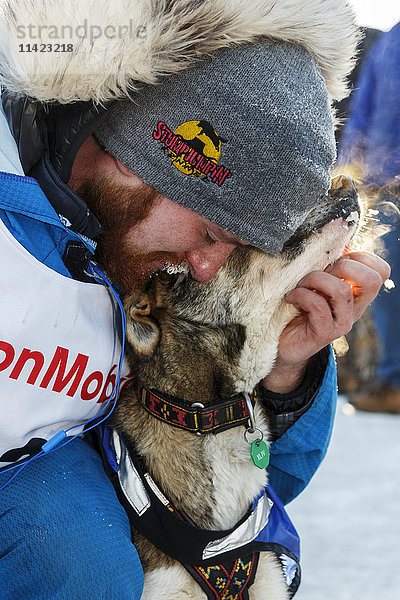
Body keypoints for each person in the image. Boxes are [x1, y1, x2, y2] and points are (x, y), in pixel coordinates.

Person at [0, 1, 390, 598]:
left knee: (74, 547)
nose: (208, 268)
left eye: (236, 251)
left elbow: (230, 495)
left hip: (38, 484)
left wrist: (285, 371)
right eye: (211, 233)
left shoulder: (139, 264)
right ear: (141, 159)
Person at [338, 22, 400, 413]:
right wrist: (346, 167)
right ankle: (390, 379)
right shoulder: (391, 40)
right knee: (383, 281)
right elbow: (364, 108)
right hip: (386, 185)